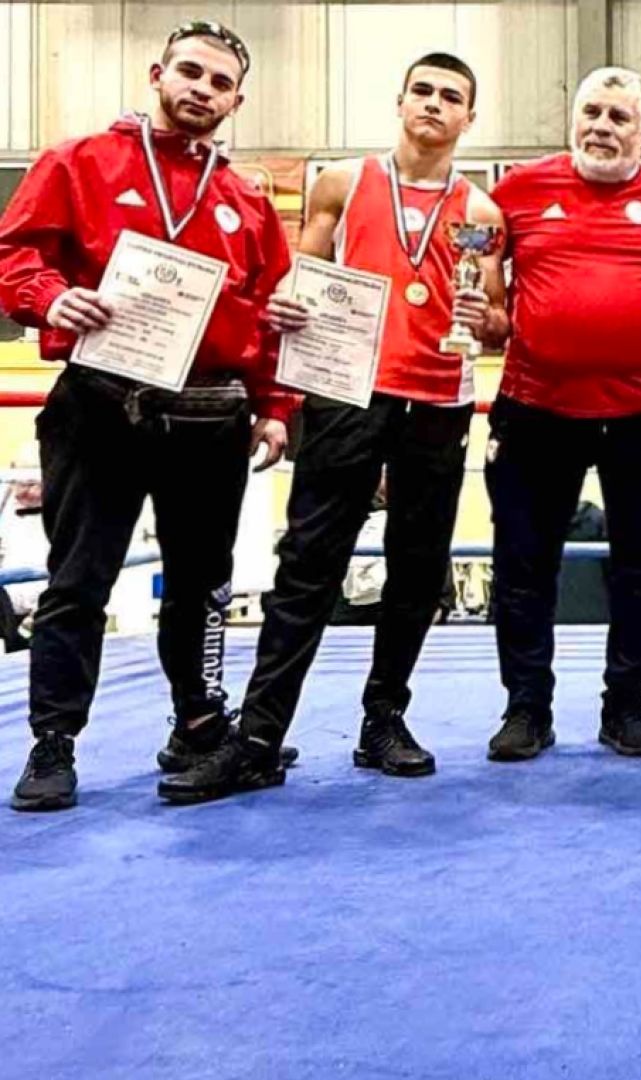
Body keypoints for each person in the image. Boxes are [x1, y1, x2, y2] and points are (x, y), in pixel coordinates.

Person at [159, 52, 505, 805]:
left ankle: (384, 719)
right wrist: (283, 305)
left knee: (419, 568)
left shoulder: (480, 212)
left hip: (439, 399)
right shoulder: (344, 183)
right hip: (347, 392)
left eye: (451, 97)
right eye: (423, 91)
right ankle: (258, 737)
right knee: (308, 563)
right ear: (400, 100)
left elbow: (498, 323)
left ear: (469, 118)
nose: (434, 105)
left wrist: (486, 317)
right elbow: (296, 280)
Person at [0, 21, 297, 812]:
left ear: (237, 102)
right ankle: (53, 743)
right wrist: (48, 297)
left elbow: (271, 309)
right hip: (101, 405)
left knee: (203, 587)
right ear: (158, 73)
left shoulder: (246, 198)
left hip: (210, 417)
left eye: (221, 83)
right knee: (78, 581)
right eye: (190, 72)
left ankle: (198, 726)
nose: (203, 90)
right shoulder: (79, 161)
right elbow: (14, 254)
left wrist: (275, 408)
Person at [476, 67, 641, 762]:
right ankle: (526, 707)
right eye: (592, 112)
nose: (602, 127)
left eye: (618, 116)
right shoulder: (516, 191)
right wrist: (478, 319)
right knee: (523, 563)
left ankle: (628, 707)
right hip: (537, 408)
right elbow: (485, 299)